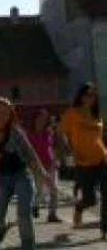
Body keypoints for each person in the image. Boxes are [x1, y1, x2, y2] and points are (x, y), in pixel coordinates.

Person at [0, 97, 51, 249]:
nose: (2, 116)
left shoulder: (15, 132)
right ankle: (1, 226)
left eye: (6, 113)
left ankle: (28, 245)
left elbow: (30, 153)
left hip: (21, 175)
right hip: (1, 178)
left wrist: (42, 173)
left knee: (24, 213)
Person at [59, 83, 106, 240]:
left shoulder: (96, 114)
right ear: (81, 96)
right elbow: (62, 134)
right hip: (83, 162)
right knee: (90, 199)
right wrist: (70, 153)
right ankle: (79, 208)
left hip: (102, 158)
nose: (90, 98)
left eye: (93, 95)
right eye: (87, 94)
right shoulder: (72, 114)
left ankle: (104, 230)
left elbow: (99, 138)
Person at [26, 109, 61, 222]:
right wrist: (31, 165)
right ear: (35, 119)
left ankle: (52, 214)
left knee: (54, 189)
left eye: (44, 119)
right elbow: (28, 152)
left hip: (50, 164)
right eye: (39, 118)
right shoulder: (30, 134)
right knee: (40, 190)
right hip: (37, 166)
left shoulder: (48, 132)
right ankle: (35, 205)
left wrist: (56, 160)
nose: (41, 121)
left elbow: (52, 147)